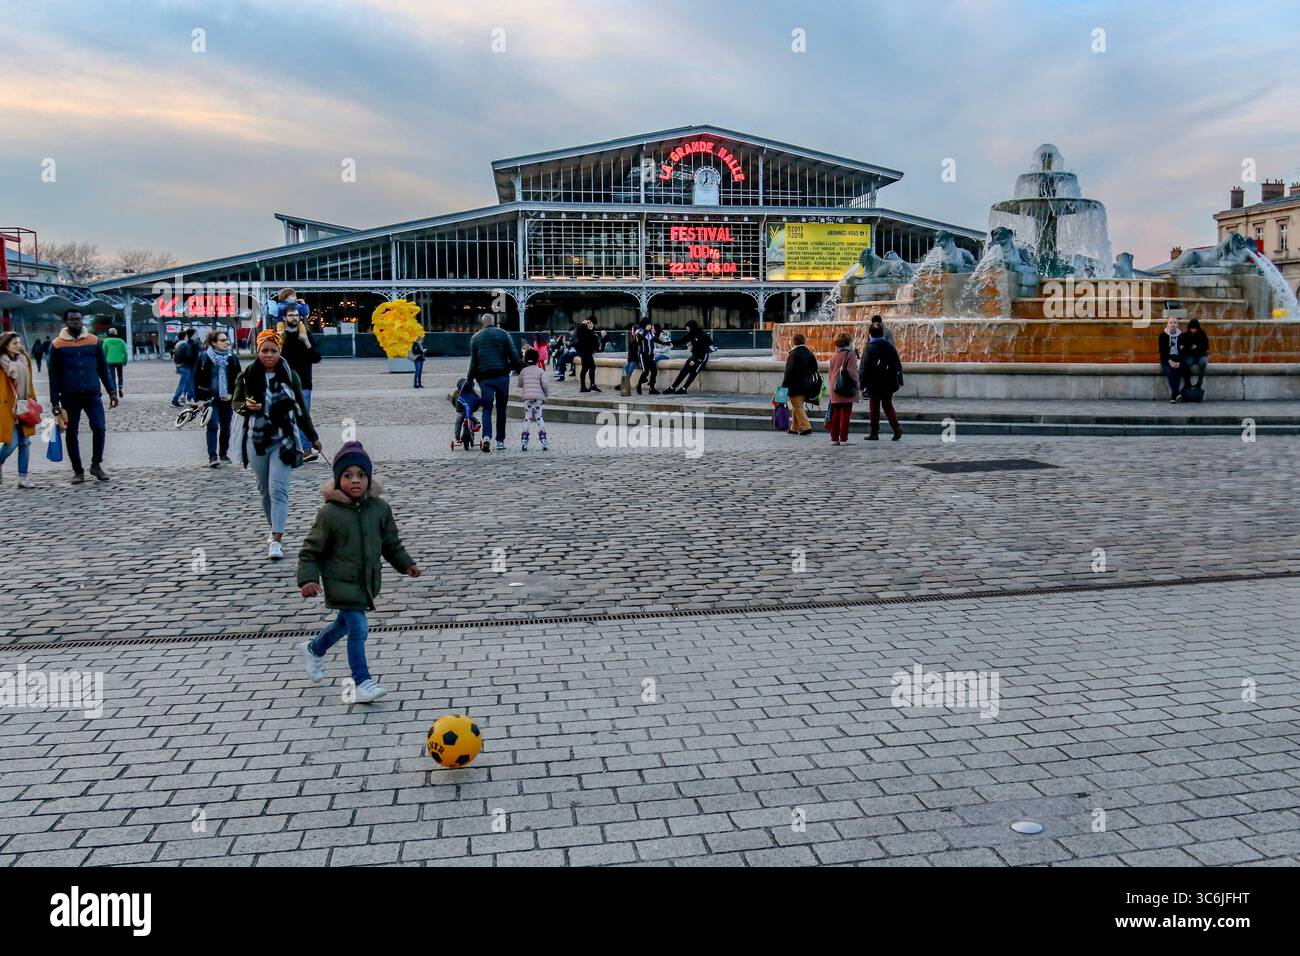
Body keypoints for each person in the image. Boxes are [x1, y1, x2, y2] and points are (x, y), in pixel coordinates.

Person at [297, 441, 420, 704]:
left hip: (366, 582)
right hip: (340, 582)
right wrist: (308, 578)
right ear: (338, 479)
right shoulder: (329, 513)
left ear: (369, 477)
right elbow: (311, 550)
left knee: (344, 623)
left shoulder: (380, 509)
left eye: (361, 475)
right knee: (358, 627)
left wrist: (405, 563)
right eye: (348, 475)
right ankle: (362, 681)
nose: (355, 481)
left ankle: (314, 648)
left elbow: (391, 544)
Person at [233, 329, 323, 559]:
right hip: (257, 439)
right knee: (265, 491)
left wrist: (312, 437)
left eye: (273, 351)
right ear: (258, 351)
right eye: (265, 351)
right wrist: (246, 406)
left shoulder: (290, 375)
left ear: (280, 351)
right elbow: (236, 404)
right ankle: (272, 526)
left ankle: (276, 539)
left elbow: (301, 409)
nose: (269, 355)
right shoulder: (247, 376)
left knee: (278, 489)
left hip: (284, 439)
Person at [47, 309, 119, 483]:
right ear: (66, 322)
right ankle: (78, 471)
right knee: (71, 433)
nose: (77, 323)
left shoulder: (94, 341)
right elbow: (53, 375)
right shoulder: (57, 345)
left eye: (79, 320)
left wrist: (112, 391)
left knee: (99, 428)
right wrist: (54, 402)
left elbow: (103, 368)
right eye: (72, 320)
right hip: (69, 395)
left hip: (92, 393)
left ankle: (96, 465)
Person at [465, 313, 523, 452]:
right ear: (493, 322)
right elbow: (513, 355)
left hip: (485, 378)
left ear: (482, 322)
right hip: (502, 376)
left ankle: (486, 437)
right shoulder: (503, 334)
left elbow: (473, 362)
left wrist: (469, 379)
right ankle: (500, 441)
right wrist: (524, 369)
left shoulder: (475, 338)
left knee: (487, 408)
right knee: (502, 409)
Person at [275, 290, 322, 459]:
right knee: (285, 417)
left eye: (297, 315)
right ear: (284, 317)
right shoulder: (280, 337)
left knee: (303, 415)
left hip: (304, 382)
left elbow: (317, 358)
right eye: (291, 315)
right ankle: (287, 447)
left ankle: (306, 449)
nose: (295, 317)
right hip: (284, 383)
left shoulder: (305, 334)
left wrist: (307, 343)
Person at [195, 329, 241, 467]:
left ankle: (223, 454)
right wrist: (199, 399)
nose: (226, 342)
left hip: (227, 399)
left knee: (226, 428)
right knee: (213, 426)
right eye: (222, 340)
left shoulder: (232, 358)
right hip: (211, 399)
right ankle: (212, 456)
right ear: (214, 343)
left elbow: (239, 380)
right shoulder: (204, 357)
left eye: (227, 340)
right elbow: (197, 379)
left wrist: (235, 396)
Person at [0, 333, 37, 488]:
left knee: (25, 443)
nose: (18, 345)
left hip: (23, 404)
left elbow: (29, 383)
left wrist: (33, 400)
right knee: (11, 442)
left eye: (19, 342)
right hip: (7, 407)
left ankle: (23, 478)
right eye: (14, 343)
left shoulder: (23, 359)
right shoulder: (1, 362)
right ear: (5, 344)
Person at [860, 321, 904, 441]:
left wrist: (861, 384)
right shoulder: (889, 346)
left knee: (874, 408)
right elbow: (897, 364)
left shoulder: (869, 348)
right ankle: (897, 428)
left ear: (870, 334)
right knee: (888, 405)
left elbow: (864, 367)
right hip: (889, 382)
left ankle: (874, 433)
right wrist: (899, 380)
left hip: (874, 383)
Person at [781, 332, 819, 436]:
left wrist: (784, 385)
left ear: (794, 342)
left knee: (797, 406)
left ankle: (806, 427)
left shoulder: (793, 354)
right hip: (807, 385)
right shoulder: (809, 353)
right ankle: (794, 428)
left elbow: (788, 371)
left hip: (795, 386)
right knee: (796, 406)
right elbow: (815, 368)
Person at [826, 331, 859, 446]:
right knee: (845, 414)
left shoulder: (834, 355)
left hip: (835, 388)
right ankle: (844, 439)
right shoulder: (850, 354)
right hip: (846, 389)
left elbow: (830, 374)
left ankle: (834, 438)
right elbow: (852, 373)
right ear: (848, 341)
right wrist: (857, 386)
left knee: (835, 414)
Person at [664, 320, 712, 394]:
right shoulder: (690, 334)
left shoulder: (702, 334)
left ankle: (684, 389)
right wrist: (669, 342)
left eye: (687, 327)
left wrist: (695, 360)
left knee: (693, 372)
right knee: (684, 370)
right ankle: (672, 387)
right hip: (695, 355)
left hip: (702, 356)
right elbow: (681, 341)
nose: (686, 328)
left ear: (691, 327)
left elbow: (707, 345)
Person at [516, 347, 550, 451]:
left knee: (527, 417)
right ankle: (544, 439)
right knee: (539, 416)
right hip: (538, 397)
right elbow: (545, 384)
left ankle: (524, 440)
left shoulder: (523, 371)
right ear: (536, 359)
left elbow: (520, 384)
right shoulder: (540, 371)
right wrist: (546, 395)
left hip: (527, 397)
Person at [1158, 315, 1185, 402]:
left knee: (1177, 372)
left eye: (1174, 322)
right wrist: (1170, 361)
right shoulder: (1162, 336)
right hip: (1166, 359)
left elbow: (1184, 351)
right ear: (1167, 324)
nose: (1173, 324)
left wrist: (1179, 362)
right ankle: (1176, 393)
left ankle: (1174, 396)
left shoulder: (1182, 336)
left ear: (1177, 325)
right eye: (1171, 322)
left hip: (1178, 359)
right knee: (1170, 371)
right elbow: (1162, 351)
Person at [170, 328, 199, 407]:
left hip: (180, 366)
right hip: (185, 367)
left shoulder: (178, 345)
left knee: (188, 384)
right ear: (185, 337)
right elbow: (189, 356)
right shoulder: (186, 345)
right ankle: (175, 400)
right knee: (183, 385)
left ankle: (193, 399)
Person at [1181, 318, 1210, 393]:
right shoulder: (1186, 335)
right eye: (1192, 329)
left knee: (1203, 362)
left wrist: (1196, 348)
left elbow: (1206, 347)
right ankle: (1187, 384)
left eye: (1195, 329)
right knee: (1186, 363)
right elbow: (1184, 348)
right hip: (1190, 356)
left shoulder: (1202, 334)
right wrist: (1192, 348)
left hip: (1200, 355)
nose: (1193, 330)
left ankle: (1199, 383)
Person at [574, 317, 602, 392]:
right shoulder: (581, 328)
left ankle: (591, 385)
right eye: (589, 322)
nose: (590, 324)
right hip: (585, 352)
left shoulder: (582, 328)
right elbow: (586, 338)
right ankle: (585, 386)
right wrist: (590, 329)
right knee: (586, 368)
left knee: (590, 367)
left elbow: (590, 338)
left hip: (587, 352)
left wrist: (590, 329)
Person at [635, 319, 659, 394]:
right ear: (644, 325)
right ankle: (639, 385)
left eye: (650, 324)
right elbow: (639, 341)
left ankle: (652, 388)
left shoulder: (651, 333)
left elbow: (655, 339)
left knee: (654, 371)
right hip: (643, 355)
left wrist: (665, 343)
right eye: (648, 324)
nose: (650, 326)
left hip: (650, 355)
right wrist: (645, 331)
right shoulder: (640, 332)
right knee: (645, 372)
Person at [102, 327, 127, 396]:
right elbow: (125, 352)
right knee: (120, 375)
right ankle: (120, 388)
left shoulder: (106, 341)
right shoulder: (121, 341)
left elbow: (103, 352)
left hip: (110, 361)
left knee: (112, 376)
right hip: (119, 361)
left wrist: (103, 362)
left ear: (109, 333)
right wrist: (125, 361)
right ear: (116, 333)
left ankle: (114, 390)